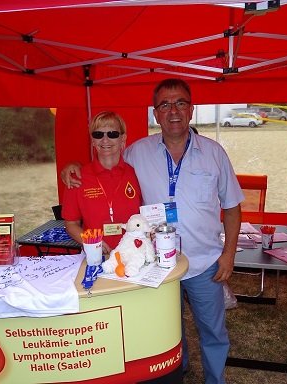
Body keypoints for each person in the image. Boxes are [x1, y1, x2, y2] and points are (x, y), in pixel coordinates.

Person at [62, 79, 243, 384]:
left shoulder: (214, 153)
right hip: (157, 266)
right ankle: (178, 371)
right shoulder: (137, 152)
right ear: (156, 114)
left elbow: (233, 207)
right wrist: (73, 166)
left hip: (204, 263)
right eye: (164, 105)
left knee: (213, 331)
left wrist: (228, 255)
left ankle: (216, 380)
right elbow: (107, 161)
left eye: (180, 103)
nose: (173, 110)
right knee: (168, 330)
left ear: (191, 109)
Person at [61, 111, 142, 254]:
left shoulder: (136, 173)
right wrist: (91, 241)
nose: (105, 140)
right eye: (98, 134)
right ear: (92, 140)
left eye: (112, 134)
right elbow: (71, 224)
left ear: (123, 138)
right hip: (95, 256)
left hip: (134, 256)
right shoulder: (77, 177)